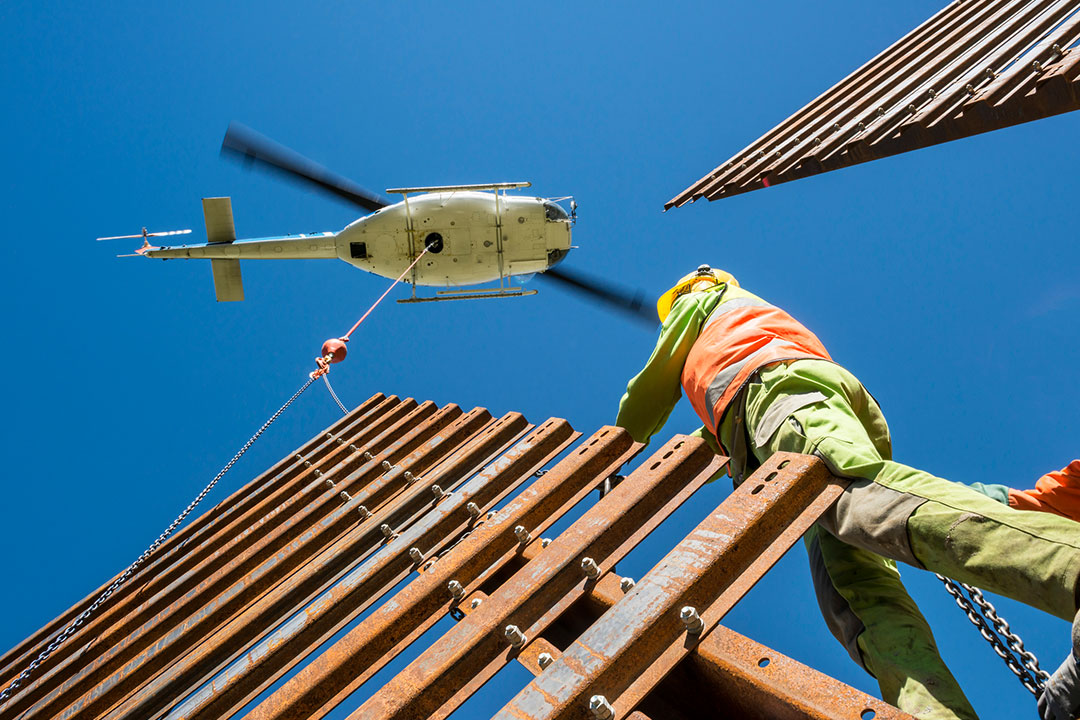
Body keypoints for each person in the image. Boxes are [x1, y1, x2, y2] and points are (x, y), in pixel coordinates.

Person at [615, 265, 1080, 720]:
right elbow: (716, 442)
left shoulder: (703, 301)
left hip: (788, 399)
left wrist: (618, 449)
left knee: (862, 500)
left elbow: (651, 388)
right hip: (783, 428)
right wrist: (655, 474)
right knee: (854, 596)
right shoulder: (724, 365)